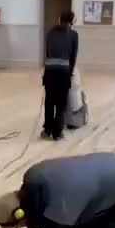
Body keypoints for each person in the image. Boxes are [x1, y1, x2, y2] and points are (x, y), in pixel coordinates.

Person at [42, 10, 78, 140]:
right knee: (61, 104)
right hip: (63, 73)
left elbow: (47, 53)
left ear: (59, 19)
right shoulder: (73, 35)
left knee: (49, 102)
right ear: (72, 21)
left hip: (50, 72)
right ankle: (57, 133)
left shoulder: (50, 33)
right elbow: (73, 57)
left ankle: (47, 130)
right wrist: (70, 73)